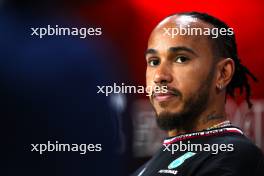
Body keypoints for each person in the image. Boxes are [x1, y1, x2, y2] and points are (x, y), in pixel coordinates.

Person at [133, 12, 264, 176]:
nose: (159, 76)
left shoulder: (233, 156)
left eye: (181, 59)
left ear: (223, 73)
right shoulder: (147, 166)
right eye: (154, 61)